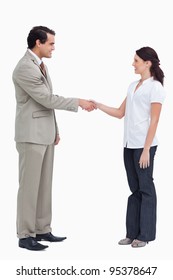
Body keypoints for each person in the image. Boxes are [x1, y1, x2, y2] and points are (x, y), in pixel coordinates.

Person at [12, 26, 96, 251]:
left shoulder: (41, 66)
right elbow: (46, 99)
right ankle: (25, 235)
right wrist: (78, 101)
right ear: (37, 43)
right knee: (29, 187)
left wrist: (55, 130)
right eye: (51, 43)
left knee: (44, 185)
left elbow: (45, 104)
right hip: (31, 135)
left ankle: (42, 229)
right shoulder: (24, 68)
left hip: (45, 134)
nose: (54, 48)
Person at [95, 47, 166, 248]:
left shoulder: (156, 88)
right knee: (134, 189)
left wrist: (145, 150)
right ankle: (132, 233)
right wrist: (98, 105)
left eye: (136, 60)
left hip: (145, 146)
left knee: (146, 189)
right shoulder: (133, 85)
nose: (133, 63)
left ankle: (145, 235)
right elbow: (119, 112)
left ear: (147, 63)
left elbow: (154, 121)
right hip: (128, 144)